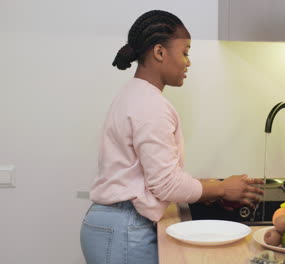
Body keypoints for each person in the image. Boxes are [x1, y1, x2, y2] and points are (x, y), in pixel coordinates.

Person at [80, 10, 264, 264]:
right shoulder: (149, 104)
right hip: (124, 228)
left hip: (117, 224)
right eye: (185, 52)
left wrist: (210, 189)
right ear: (159, 52)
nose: (188, 62)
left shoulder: (135, 95)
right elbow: (165, 184)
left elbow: (150, 176)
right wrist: (222, 187)